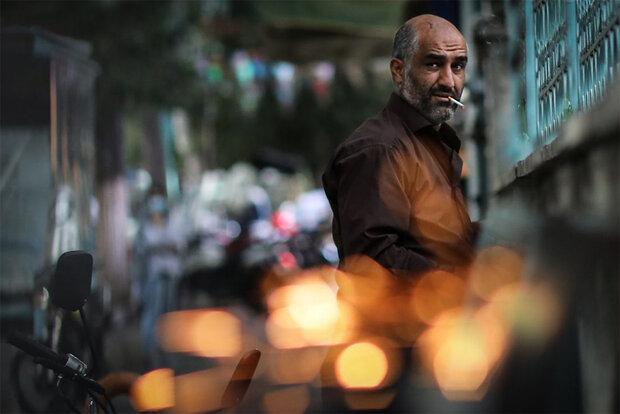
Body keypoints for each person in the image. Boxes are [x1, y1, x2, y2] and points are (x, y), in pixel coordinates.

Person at [321, 14, 477, 412]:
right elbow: (375, 260)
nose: (449, 81)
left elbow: (435, 237)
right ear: (398, 71)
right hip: (385, 361)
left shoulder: (429, 143)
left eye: (458, 66)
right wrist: (459, 282)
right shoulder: (378, 149)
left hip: (430, 349)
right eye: (433, 64)